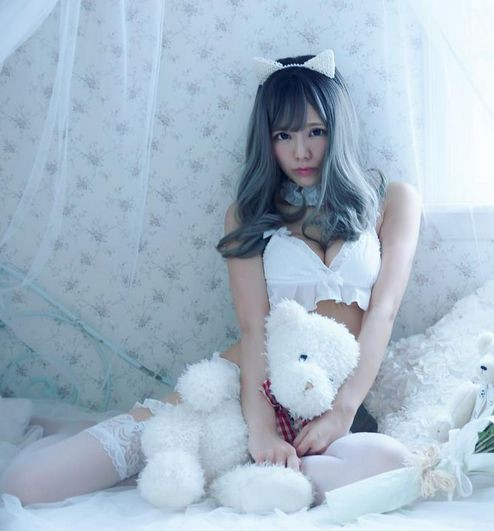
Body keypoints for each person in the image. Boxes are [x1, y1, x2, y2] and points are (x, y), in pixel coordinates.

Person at [1, 50, 422, 507]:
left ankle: (252, 474)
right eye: (283, 135)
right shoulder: (249, 215)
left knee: (392, 463)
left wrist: (342, 413)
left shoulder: (392, 201)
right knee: (27, 484)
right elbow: (253, 328)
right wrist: (261, 430)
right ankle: (240, 462)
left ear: (338, 129)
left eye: (315, 131)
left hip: (321, 406)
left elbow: (384, 312)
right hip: (238, 392)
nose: (300, 151)